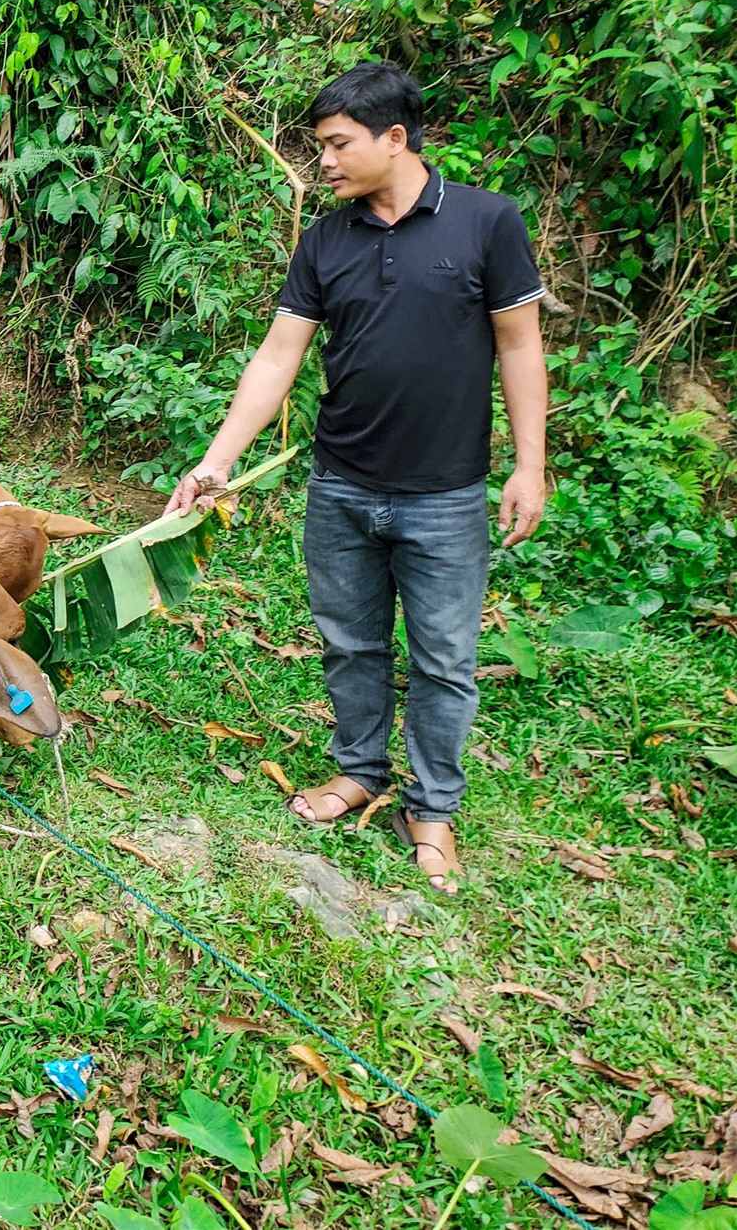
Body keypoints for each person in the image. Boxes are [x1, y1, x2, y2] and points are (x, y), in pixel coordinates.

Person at [164, 63, 548, 893]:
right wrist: (217, 461)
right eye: (319, 147)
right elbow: (278, 358)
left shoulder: (487, 223)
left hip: (445, 494)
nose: (325, 163)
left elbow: (520, 346)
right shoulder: (326, 241)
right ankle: (359, 770)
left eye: (338, 145)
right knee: (350, 643)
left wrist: (529, 464)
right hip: (340, 484)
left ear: (394, 138)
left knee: (445, 658)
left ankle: (433, 809)